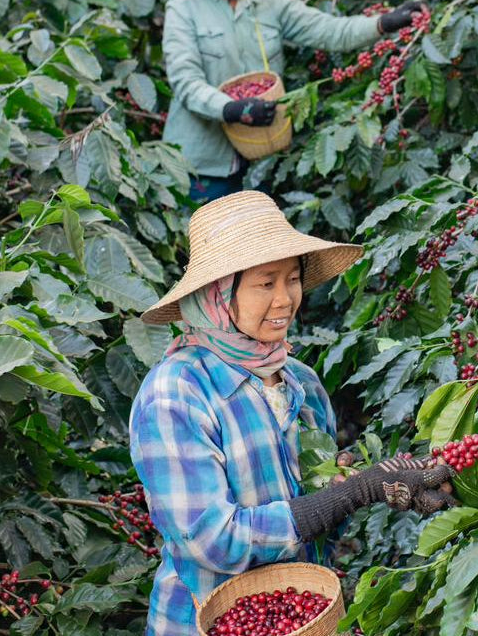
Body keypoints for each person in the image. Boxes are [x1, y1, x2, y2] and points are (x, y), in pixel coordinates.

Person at [129, 191, 453, 635]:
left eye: (293, 279)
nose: (285, 300)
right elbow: (211, 540)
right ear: (218, 295)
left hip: (304, 617)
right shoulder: (175, 395)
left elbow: (313, 509)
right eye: (266, 283)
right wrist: (350, 494)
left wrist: (366, 481)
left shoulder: (299, 380)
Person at [160, 0, 425, 202]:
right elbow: (185, 81)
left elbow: (329, 30)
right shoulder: (184, 6)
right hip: (203, 165)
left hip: (261, 157)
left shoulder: (267, 1)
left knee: (264, 245)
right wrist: (231, 109)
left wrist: (384, 22)